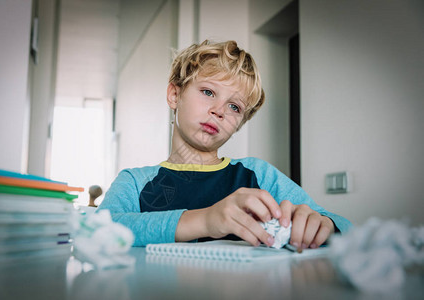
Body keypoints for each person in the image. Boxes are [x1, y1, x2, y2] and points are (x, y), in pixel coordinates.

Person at [98, 40, 352, 248]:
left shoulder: (258, 175)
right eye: (208, 92)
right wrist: (205, 221)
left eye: (234, 107)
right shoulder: (134, 182)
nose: (219, 111)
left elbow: (343, 224)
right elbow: (99, 231)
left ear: (239, 123)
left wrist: (323, 225)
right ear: (175, 95)